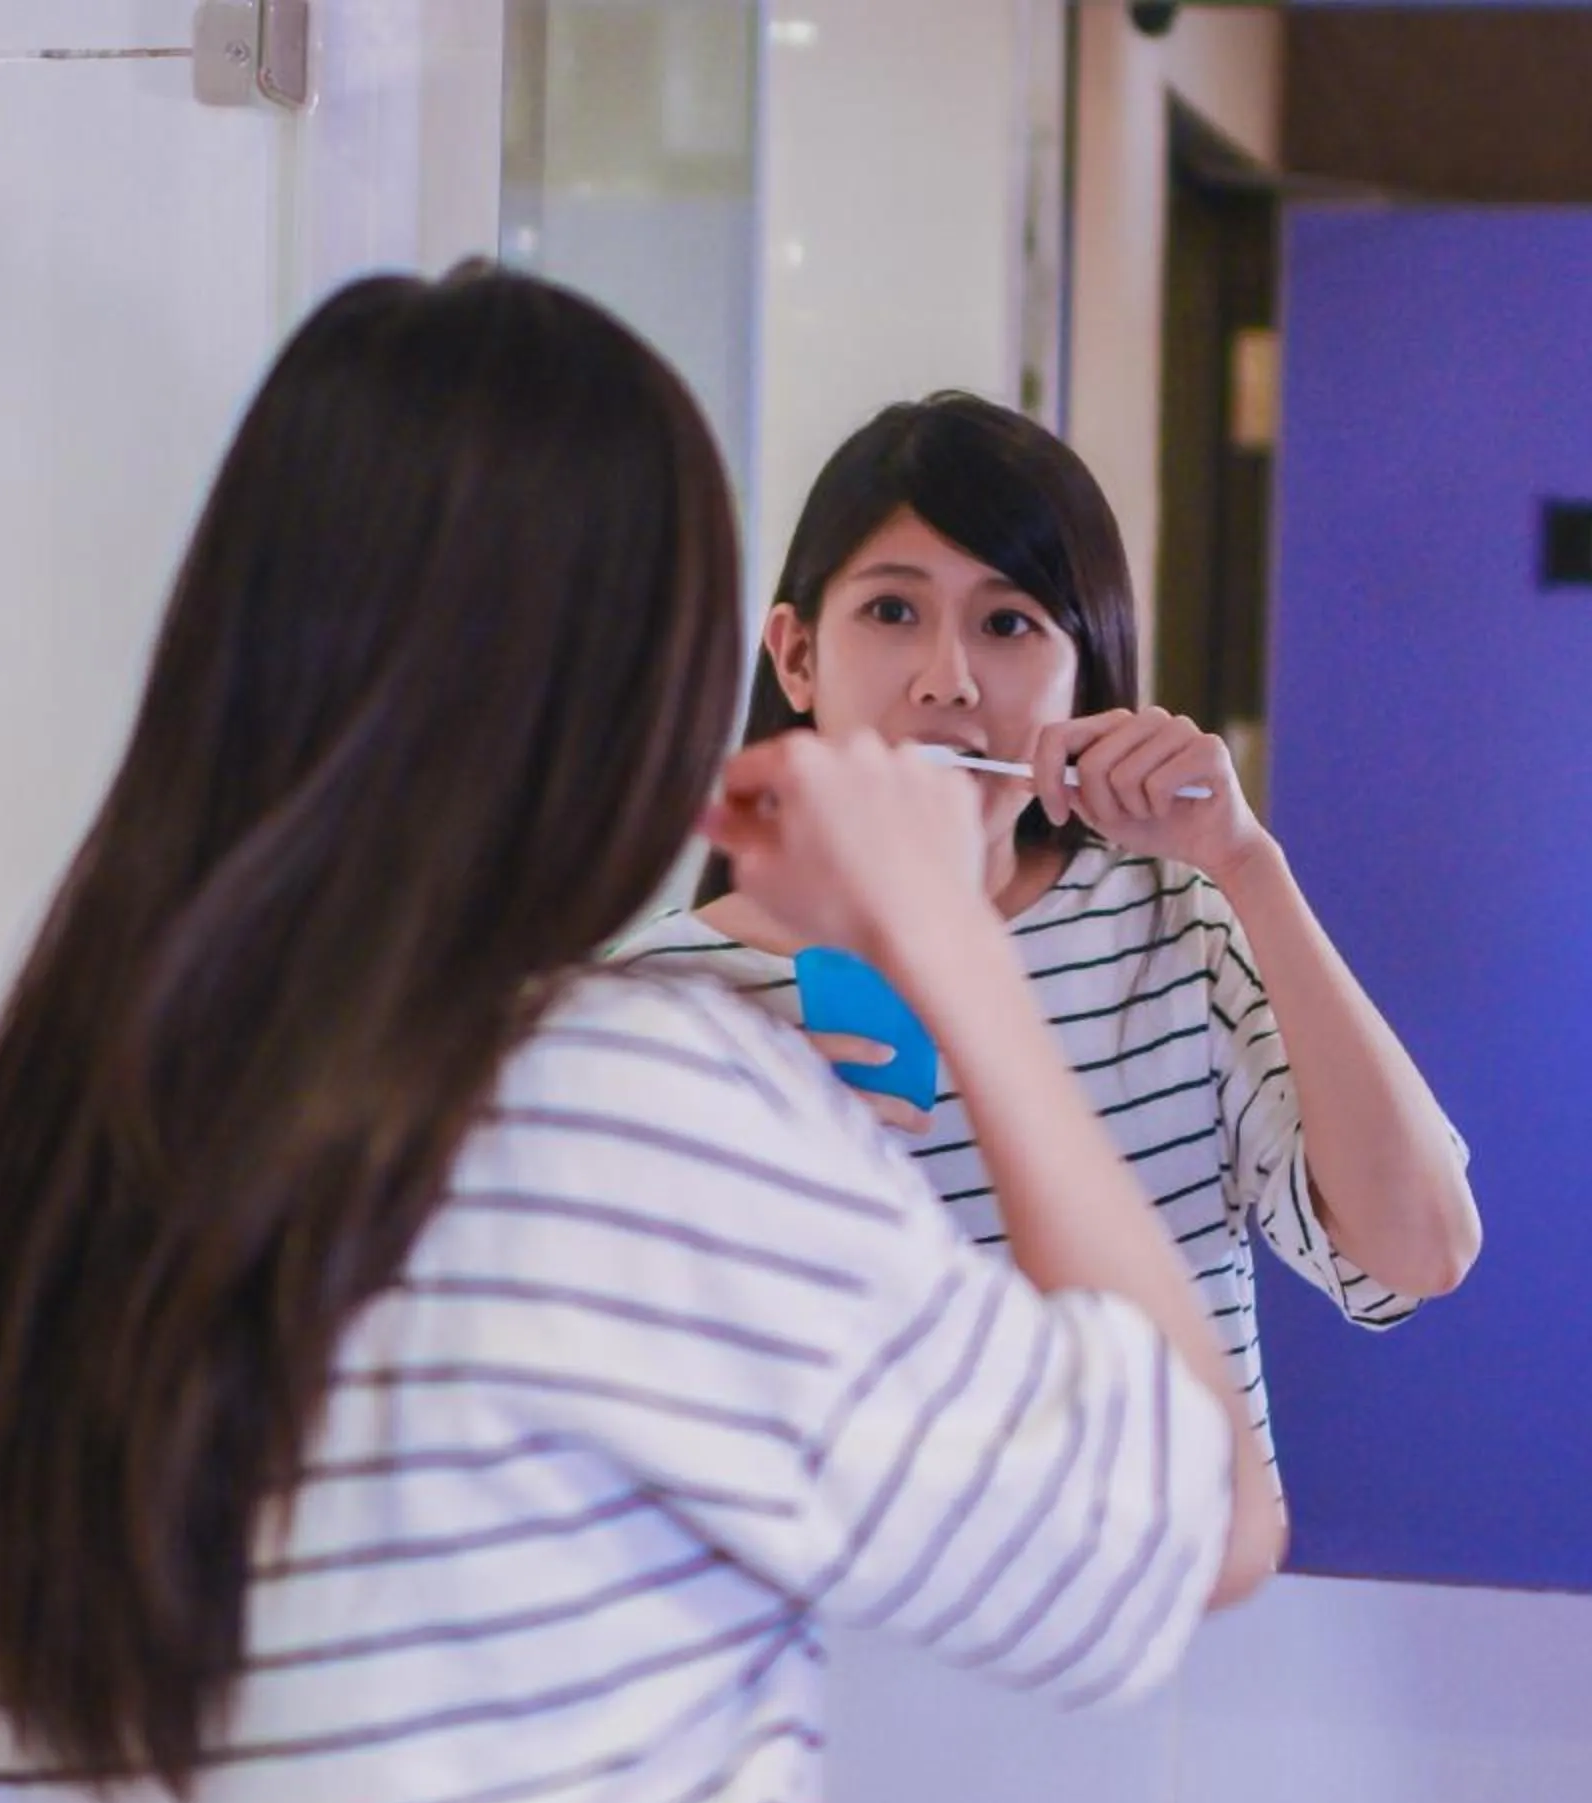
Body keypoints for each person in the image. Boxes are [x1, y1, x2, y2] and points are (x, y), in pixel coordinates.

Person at [0, 273, 1282, 1803]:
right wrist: (952, 949)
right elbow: (1206, 1519)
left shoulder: (1, 1165)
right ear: (661, 689)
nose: (947, 668)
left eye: (1008, 618)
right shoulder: (628, 1108)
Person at [617, 394, 1481, 1470]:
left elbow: (1422, 1249)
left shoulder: (1175, 926)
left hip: (1167, 1623)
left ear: (1086, 672)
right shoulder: (653, 1002)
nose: (948, 678)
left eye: (1009, 622)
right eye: (892, 612)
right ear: (796, 658)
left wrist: (1250, 867)